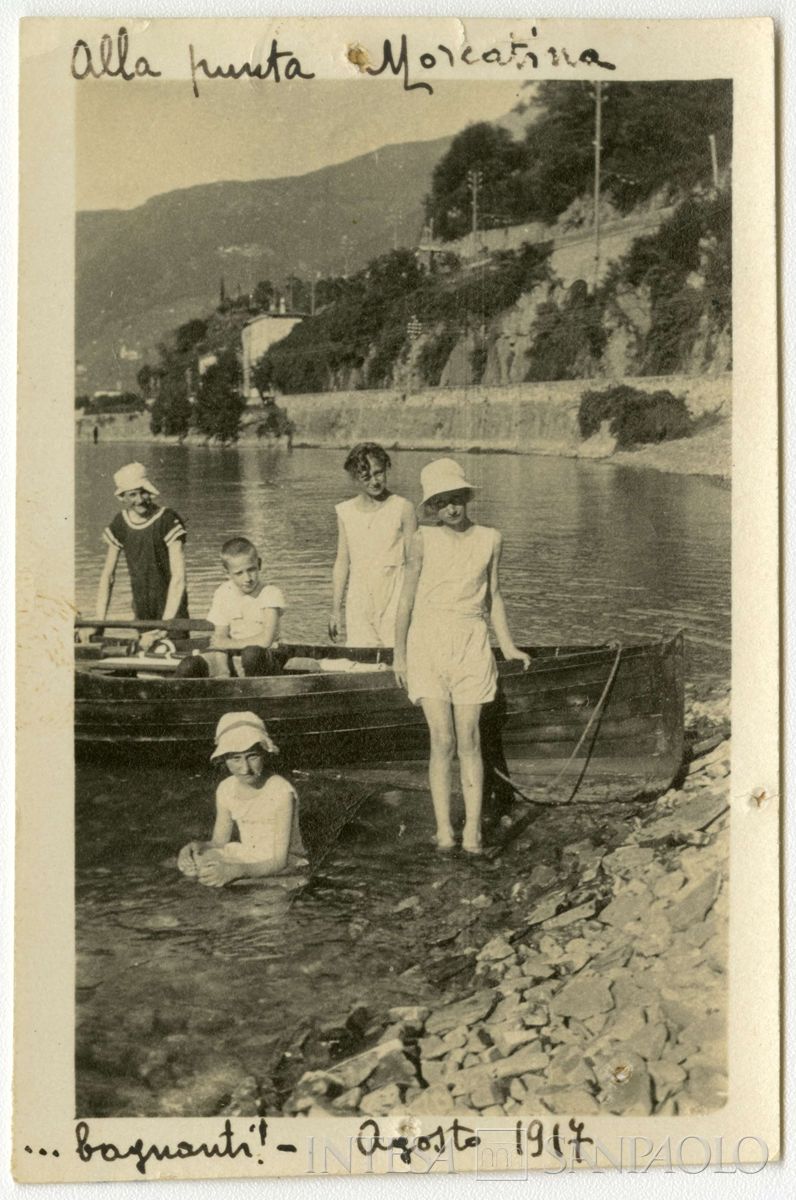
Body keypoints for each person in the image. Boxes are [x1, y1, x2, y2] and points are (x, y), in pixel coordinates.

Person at [393, 458, 531, 855]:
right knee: (442, 739)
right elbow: (405, 600)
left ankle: (472, 832)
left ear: (467, 498)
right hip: (427, 642)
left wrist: (506, 645)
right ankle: (443, 830)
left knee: (469, 739)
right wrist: (399, 656)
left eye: (457, 499)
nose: (451, 508)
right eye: (442, 502)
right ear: (432, 507)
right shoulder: (421, 539)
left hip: (471, 641)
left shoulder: (491, 538)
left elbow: (494, 596)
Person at [177, 712, 307, 888]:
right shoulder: (226, 788)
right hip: (246, 855)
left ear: (265, 753)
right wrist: (193, 847)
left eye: (252, 756)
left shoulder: (280, 791)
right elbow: (219, 842)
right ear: (224, 759)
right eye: (235, 758)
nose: (245, 769)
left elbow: (279, 861)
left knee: (227, 881)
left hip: (279, 863)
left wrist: (234, 871)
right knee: (195, 865)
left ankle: (256, 886)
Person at [84, 462, 188, 644]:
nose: (139, 500)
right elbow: (108, 576)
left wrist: (166, 624)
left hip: (172, 607)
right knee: (145, 663)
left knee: (174, 659)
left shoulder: (168, 520)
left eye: (143, 492)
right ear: (123, 497)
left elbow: (178, 577)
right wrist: (99, 621)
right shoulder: (120, 523)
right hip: (142, 607)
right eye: (132, 494)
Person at [329, 442, 416, 647]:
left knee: (397, 655)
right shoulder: (345, 512)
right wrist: (335, 610)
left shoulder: (403, 508)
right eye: (366, 477)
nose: (375, 481)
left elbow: (414, 563)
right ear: (355, 477)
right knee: (362, 660)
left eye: (379, 473)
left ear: (386, 468)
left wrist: (412, 605)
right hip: (359, 597)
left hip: (395, 594)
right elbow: (342, 562)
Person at [177, 537, 285, 678]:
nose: (247, 578)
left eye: (251, 569)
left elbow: (266, 640)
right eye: (239, 573)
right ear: (227, 573)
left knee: (251, 654)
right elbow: (220, 637)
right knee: (189, 665)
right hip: (233, 655)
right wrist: (223, 671)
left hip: (266, 657)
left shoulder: (270, 593)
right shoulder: (223, 592)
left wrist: (230, 643)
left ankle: (253, 695)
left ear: (259, 564)